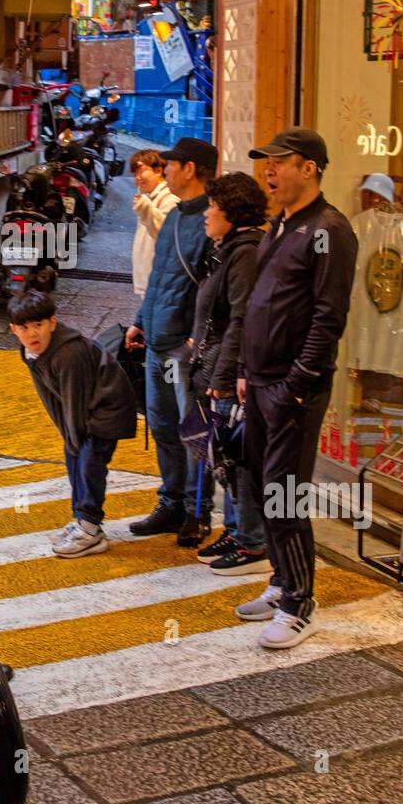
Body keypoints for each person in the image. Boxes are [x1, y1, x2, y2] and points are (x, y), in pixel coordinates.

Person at [236, 128, 358, 649]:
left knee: (285, 495)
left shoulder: (330, 230)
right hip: (261, 382)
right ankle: (282, 579)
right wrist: (244, 369)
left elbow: (329, 318)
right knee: (265, 489)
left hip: (292, 387)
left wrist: (296, 383)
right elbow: (261, 303)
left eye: (279, 162)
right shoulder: (280, 225)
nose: (269, 171)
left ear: (309, 167)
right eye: (266, 162)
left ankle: (299, 603)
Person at [125, 137, 218, 547]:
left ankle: (199, 512)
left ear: (191, 169)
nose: (165, 171)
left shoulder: (211, 219)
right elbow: (160, 275)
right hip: (158, 337)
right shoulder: (177, 214)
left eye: (171, 165)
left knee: (192, 432)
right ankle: (172, 503)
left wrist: (197, 338)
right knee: (163, 426)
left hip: (185, 344)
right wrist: (139, 321)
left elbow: (213, 289)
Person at [8, 289, 137, 558]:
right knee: (74, 457)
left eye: (39, 325)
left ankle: (90, 529)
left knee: (89, 463)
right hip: (83, 412)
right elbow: (51, 397)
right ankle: (83, 520)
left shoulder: (68, 354)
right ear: (14, 330)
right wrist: (68, 435)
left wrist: (74, 435)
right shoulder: (30, 352)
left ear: (52, 323)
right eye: (24, 327)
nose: (32, 333)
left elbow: (74, 397)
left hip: (105, 410)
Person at [188, 172, 269, 574]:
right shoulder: (228, 247)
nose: (206, 213)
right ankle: (236, 530)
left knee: (237, 456)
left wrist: (223, 378)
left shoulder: (246, 252)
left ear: (232, 213)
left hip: (226, 372)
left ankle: (253, 542)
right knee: (221, 452)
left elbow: (241, 319)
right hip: (212, 365)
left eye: (213, 207)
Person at [130, 150, 178, 297]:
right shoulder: (152, 197)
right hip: (151, 281)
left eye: (142, 172)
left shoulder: (170, 198)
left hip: (159, 283)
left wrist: (144, 207)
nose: (137, 178)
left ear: (159, 170)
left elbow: (163, 233)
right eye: (134, 174)